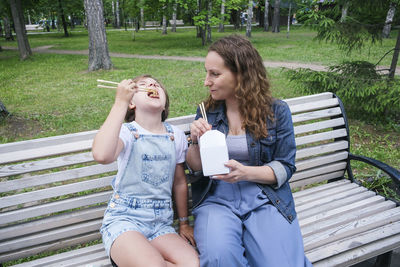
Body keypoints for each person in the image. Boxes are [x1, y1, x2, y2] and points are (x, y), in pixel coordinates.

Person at [186, 35, 312, 267]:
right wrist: (194, 141)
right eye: (207, 73)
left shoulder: (276, 112)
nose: (206, 81)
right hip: (216, 199)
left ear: (241, 74)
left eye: (215, 74)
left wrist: (245, 173)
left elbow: (285, 166)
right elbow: (196, 168)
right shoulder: (207, 112)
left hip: (263, 196)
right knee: (219, 259)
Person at [92, 74, 199, 267]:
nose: (151, 85)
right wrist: (119, 103)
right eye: (142, 85)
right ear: (131, 103)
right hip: (125, 220)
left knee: (192, 263)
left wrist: (183, 223)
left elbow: (179, 182)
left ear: (165, 104)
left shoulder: (175, 136)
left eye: (156, 84)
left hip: (161, 225)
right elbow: (102, 155)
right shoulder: (127, 132)